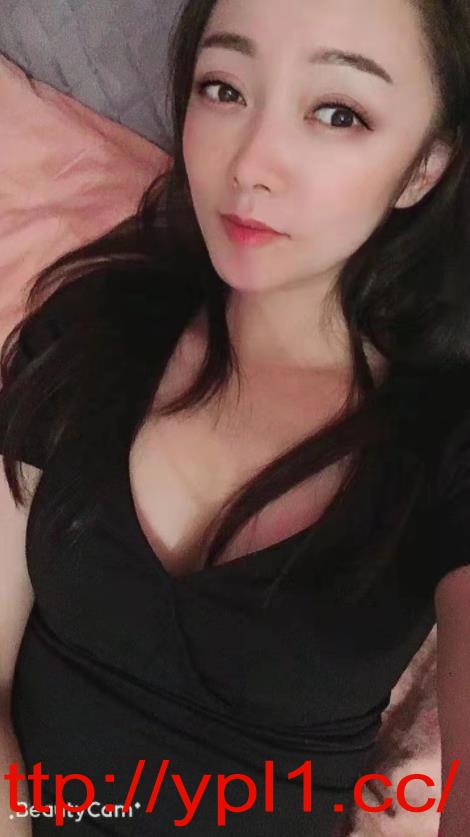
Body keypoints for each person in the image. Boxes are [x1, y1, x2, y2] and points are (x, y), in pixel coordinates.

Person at [1, 0, 470, 833]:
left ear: (423, 168)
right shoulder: (90, 328)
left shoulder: (447, 439)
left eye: (338, 112)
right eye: (224, 88)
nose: (250, 163)